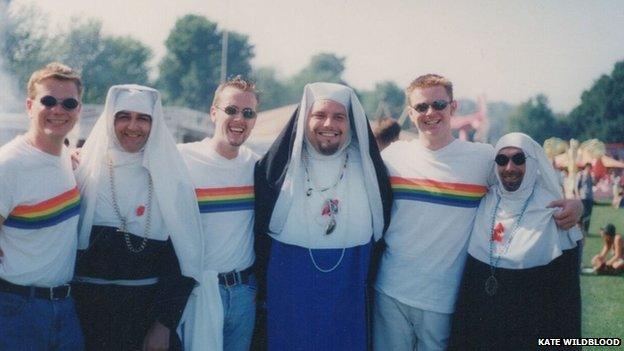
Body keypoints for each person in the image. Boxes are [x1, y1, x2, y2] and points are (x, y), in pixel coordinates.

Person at [374, 74, 583, 351]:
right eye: (422, 107)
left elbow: (527, 181)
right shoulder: (393, 157)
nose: (431, 113)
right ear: (411, 113)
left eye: (438, 104)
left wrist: (575, 204)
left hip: (445, 300)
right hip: (390, 292)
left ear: (453, 106)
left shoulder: (484, 158)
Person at [254, 82, 392, 350]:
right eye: (319, 115)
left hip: (349, 276)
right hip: (291, 276)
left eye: (339, 116)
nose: (329, 124)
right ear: (305, 119)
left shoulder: (368, 168)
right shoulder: (279, 166)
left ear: (350, 123)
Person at [73, 85, 207, 350]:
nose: (133, 126)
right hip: (86, 314)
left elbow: (184, 261)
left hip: (145, 317)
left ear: (154, 125)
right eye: (124, 116)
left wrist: (164, 324)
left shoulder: (171, 179)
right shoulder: (84, 171)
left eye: (143, 118)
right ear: (111, 120)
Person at [449, 132, 582, 350]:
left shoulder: (553, 212)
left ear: (532, 162)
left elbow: (566, 302)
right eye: (502, 160)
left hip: (532, 334)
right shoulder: (483, 201)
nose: (509, 168)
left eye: (518, 159)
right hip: (484, 334)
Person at [0, 62, 84, 349]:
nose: (58, 110)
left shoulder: (67, 158)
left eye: (68, 102)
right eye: (48, 100)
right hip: (15, 309)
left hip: (65, 307)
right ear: (29, 105)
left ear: (78, 109)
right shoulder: (8, 165)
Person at [178, 76, 259, 351]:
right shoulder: (183, 158)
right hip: (200, 292)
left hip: (244, 293)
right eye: (232, 110)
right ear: (214, 113)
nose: (239, 119)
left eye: (248, 113)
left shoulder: (257, 166)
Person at [576, 163, 594, 235]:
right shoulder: (580, 174)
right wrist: (578, 195)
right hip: (583, 197)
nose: (590, 169)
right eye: (589, 167)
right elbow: (577, 186)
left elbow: (593, 184)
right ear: (586, 167)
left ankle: (586, 230)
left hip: (590, 197)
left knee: (589, 214)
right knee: (582, 213)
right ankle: (579, 229)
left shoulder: (591, 175)